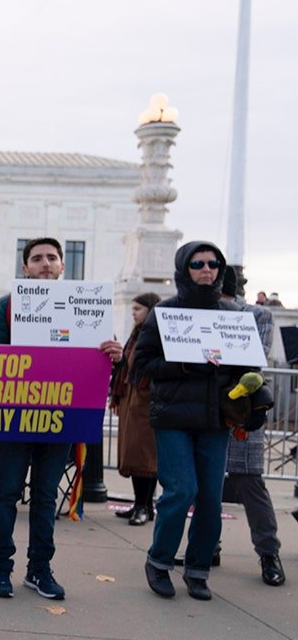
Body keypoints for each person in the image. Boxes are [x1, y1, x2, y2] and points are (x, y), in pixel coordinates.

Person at [0, 238, 123, 601]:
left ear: (62, 266)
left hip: (60, 418)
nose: (45, 263)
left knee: (45, 497)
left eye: (52, 258)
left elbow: (98, 360)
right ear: (26, 269)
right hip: (16, 418)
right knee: (5, 493)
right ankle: (0, 569)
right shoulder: (6, 307)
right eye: (37, 258)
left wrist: (113, 353)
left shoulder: (87, 306)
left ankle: (39, 570)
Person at [134, 241, 272, 601]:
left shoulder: (232, 314)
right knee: (181, 492)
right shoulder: (164, 311)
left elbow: (247, 368)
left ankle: (197, 569)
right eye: (198, 263)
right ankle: (159, 561)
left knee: (211, 498)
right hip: (174, 417)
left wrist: (255, 396)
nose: (206, 269)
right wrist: (183, 364)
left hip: (215, 420)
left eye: (213, 263)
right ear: (185, 269)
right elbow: (141, 366)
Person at [219, 266, 284, 586]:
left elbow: (254, 357)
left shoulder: (257, 314)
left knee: (250, 482)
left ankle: (268, 552)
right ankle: (207, 546)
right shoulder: (197, 311)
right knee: (205, 483)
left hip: (243, 407)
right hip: (207, 408)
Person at [110, 292, 161, 526]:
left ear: (150, 311)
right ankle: (142, 505)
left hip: (146, 399)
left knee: (144, 456)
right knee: (133, 453)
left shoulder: (156, 336)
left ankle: (144, 505)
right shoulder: (137, 335)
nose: (133, 313)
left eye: (138, 309)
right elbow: (126, 365)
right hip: (132, 398)